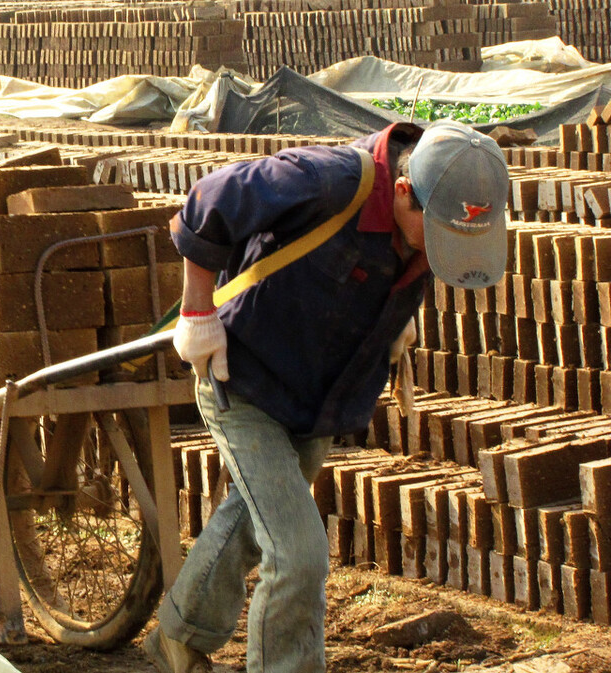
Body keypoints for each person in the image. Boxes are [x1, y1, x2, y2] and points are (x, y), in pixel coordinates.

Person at [148, 119, 510, 673]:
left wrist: (396, 322)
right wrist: (197, 308)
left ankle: (179, 634)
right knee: (299, 555)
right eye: (436, 230)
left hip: (320, 397)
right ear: (404, 190)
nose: (443, 246)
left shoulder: (431, 213)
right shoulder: (327, 180)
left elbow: (408, 265)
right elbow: (208, 202)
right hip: (243, 380)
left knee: (251, 521)